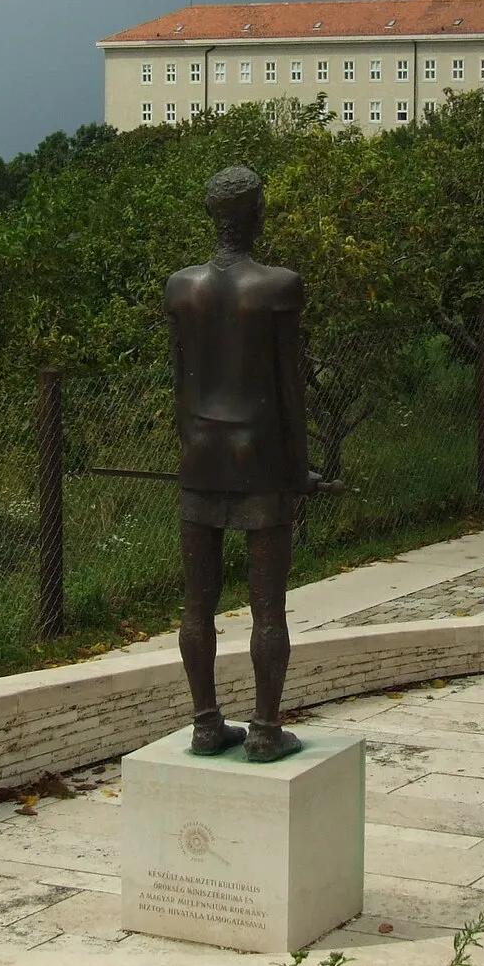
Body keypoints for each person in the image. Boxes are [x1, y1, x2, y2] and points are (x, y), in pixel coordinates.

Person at [165, 165, 320, 762]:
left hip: (199, 458)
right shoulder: (277, 286)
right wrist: (299, 472)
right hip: (259, 460)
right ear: (257, 214)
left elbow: (181, 389)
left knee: (197, 602)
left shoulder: (182, 288)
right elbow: (290, 392)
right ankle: (263, 728)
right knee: (267, 606)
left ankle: (206, 723)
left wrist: (191, 447)